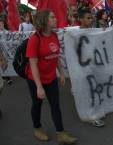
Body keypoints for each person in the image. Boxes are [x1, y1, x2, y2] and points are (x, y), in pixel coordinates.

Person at [26, 9, 77, 143]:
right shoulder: (34, 38)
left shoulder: (54, 35)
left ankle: (61, 134)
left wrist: (61, 73)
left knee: (55, 104)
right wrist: (39, 87)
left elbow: (56, 55)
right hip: (35, 78)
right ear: (44, 20)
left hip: (51, 76)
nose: (56, 20)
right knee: (37, 104)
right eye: (52, 17)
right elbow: (33, 65)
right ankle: (37, 128)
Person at [78, 8, 106, 126]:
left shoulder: (94, 31)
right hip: (83, 67)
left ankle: (94, 112)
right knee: (88, 91)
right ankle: (91, 116)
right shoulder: (74, 34)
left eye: (91, 18)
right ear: (81, 19)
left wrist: (105, 32)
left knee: (95, 89)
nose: (91, 20)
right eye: (88, 18)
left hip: (95, 66)